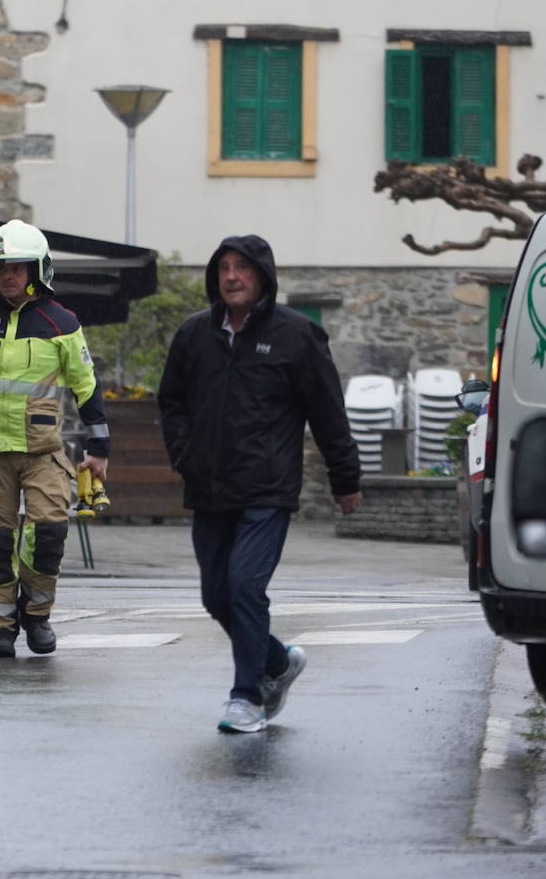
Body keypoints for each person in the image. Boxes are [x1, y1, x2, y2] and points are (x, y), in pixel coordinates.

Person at [157, 234, 362, 733]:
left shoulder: (297, 335)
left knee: (246, 587)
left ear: (263, 276)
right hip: (209, 487)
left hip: (267, 488)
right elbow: (172, 401)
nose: (232, 276)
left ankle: (247, 698)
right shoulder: (194, 334)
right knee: (217, 597)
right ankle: (277, 662)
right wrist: (184, 455)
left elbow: (328, 411)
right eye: (224, 268)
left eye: (243, 267)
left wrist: (345, 478)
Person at [0, 219, 109, 658]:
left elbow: (86, 385)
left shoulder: (61, 323)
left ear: (37, 270)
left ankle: (36, 614)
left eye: (17, 267)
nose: (8, 276)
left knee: (48, 531)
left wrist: (99, 448)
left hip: (43, 453)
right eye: (1, 268)